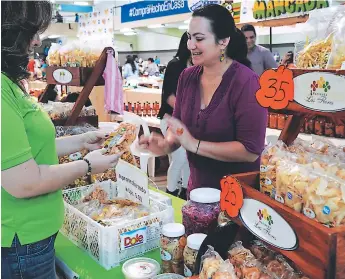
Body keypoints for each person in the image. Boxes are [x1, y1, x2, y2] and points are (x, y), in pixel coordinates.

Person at [1, 2, 121, 278]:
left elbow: (29, 151)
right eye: (31, 32)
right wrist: (87, 166)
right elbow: (24, 181)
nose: (36, 41)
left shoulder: (9, 83)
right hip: (23, 241)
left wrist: (82, 141)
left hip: (35, 235)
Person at [139, 4, 267, 195]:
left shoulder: (247, 83)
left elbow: (250, 151)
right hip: (198, 193)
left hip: (237, 198)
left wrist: (194, 145)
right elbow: (180, 126)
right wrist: (167, 144)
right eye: (190, 37)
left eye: (199, 38)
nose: (190, 45)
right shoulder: (187, 77)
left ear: (223, 41)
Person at [158, 32, 192, 200]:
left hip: (187, 121)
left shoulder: (196, 65)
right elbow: (169, 96)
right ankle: (171, 192)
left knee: (187, 159)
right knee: (179, 158)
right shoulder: (175, 64)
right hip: (171, 119)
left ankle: (185, 191)